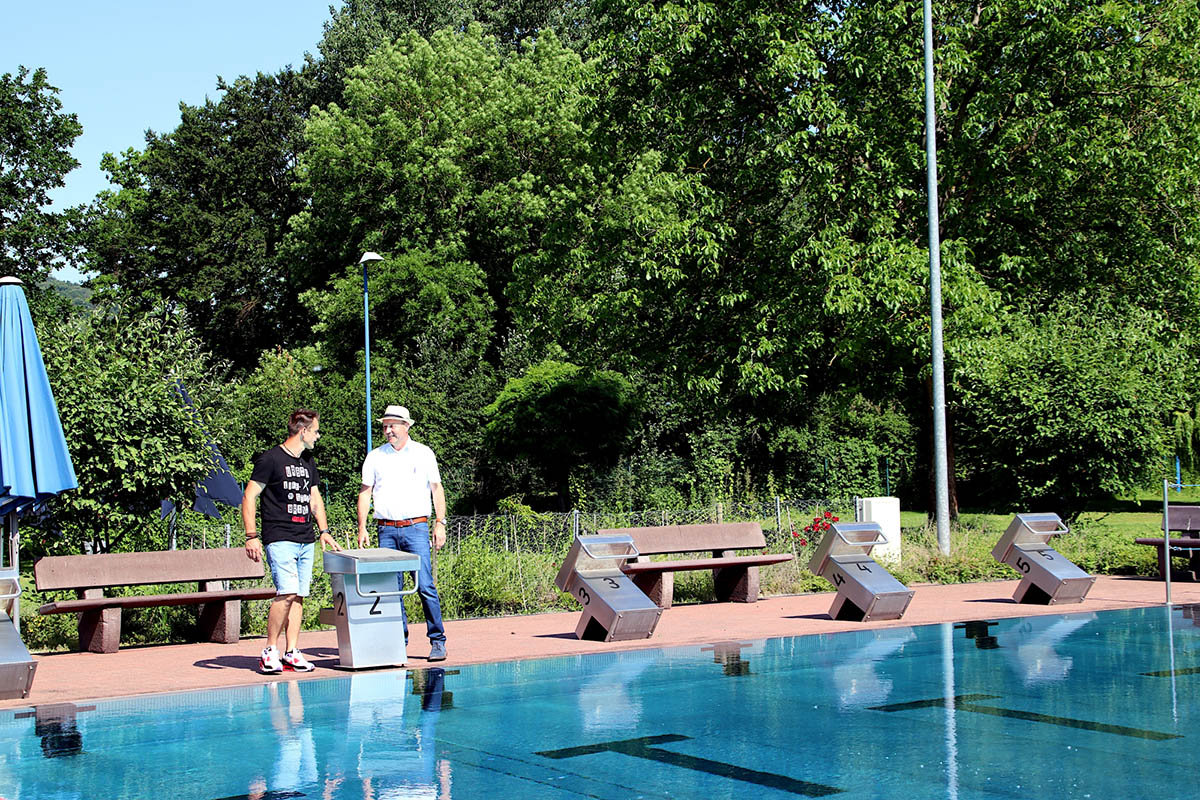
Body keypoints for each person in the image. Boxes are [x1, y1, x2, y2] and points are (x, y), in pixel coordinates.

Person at [242, 408, 341, 674]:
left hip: (305, 538)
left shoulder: (307, 460)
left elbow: (315, 498)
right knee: (285, 593)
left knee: (298, 596)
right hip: (280, 537)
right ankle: (269, 650)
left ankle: (292, 651)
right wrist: (251, 536)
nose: (318, 436)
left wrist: (324, 530)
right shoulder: (270, 459)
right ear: (303, 430)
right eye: (316, 431)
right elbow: (249, 496)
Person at [357, 404, 448, 661]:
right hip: (386, 529)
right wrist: (362, 527)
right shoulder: (375, 456)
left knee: (425, 586)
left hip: (416, 528)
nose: (388, 430)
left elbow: (436, 489)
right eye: (385, 426)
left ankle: (438, 640)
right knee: (391, 589)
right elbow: (365, 493)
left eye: (393, 425)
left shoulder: (423, 453)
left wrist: (439, 523)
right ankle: (398, 642)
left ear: (406, 426)